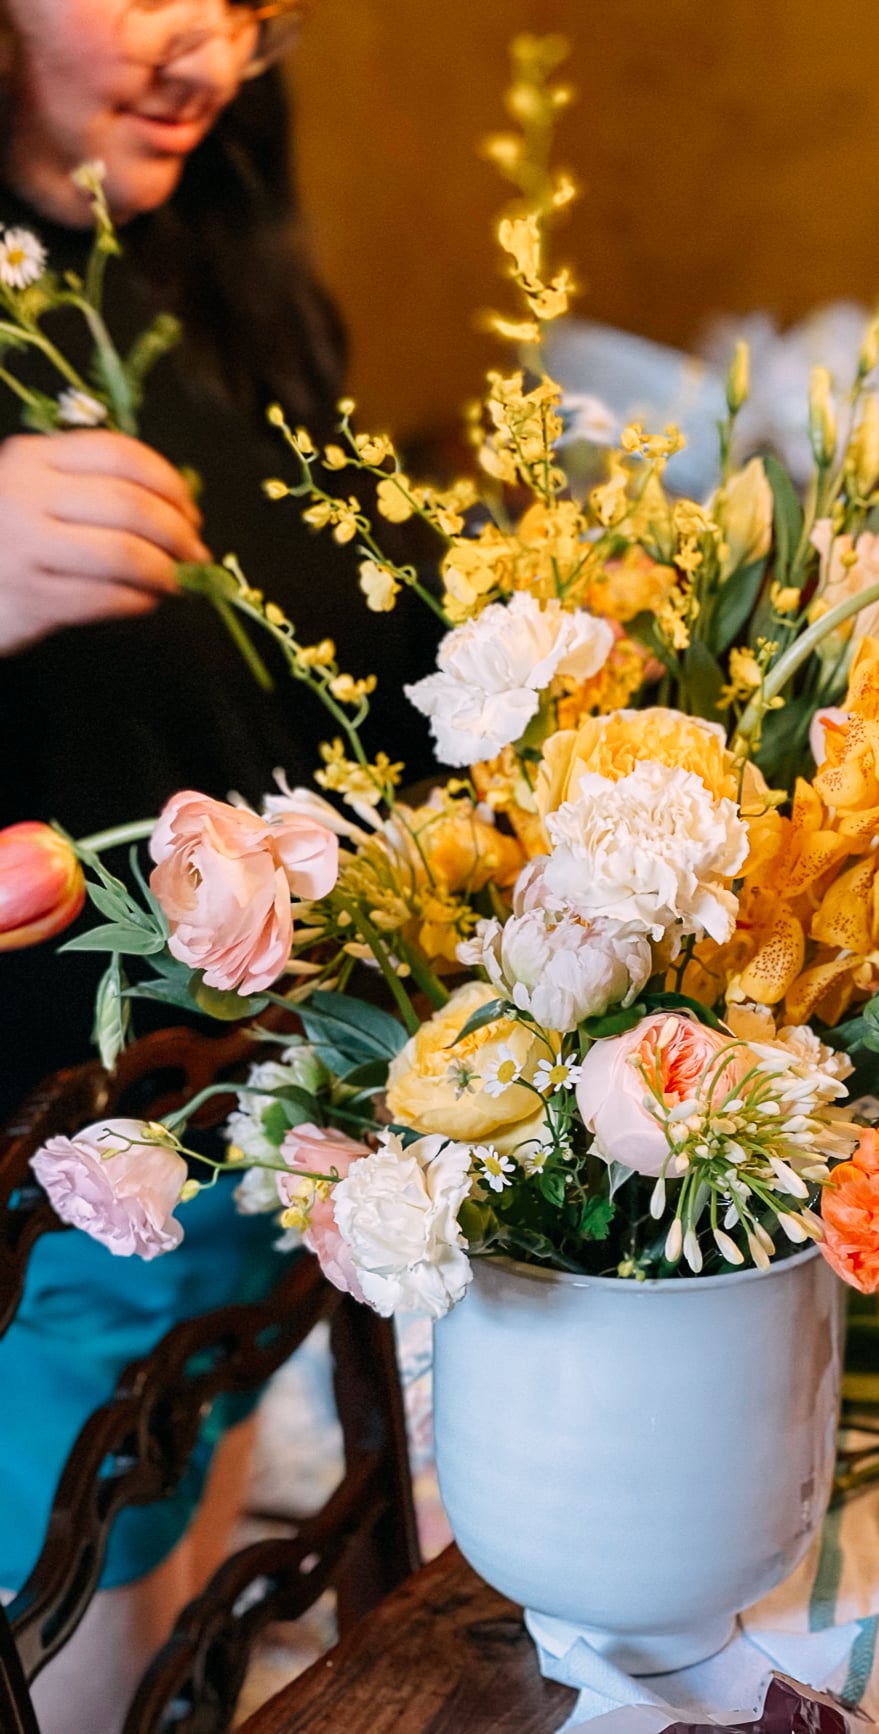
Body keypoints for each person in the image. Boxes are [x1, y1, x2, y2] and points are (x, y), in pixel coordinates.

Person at [0, 4, 437, 1727]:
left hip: (240, 1152)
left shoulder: (204, 255)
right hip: (49, 1194)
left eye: (253, 5)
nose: (207, 44)